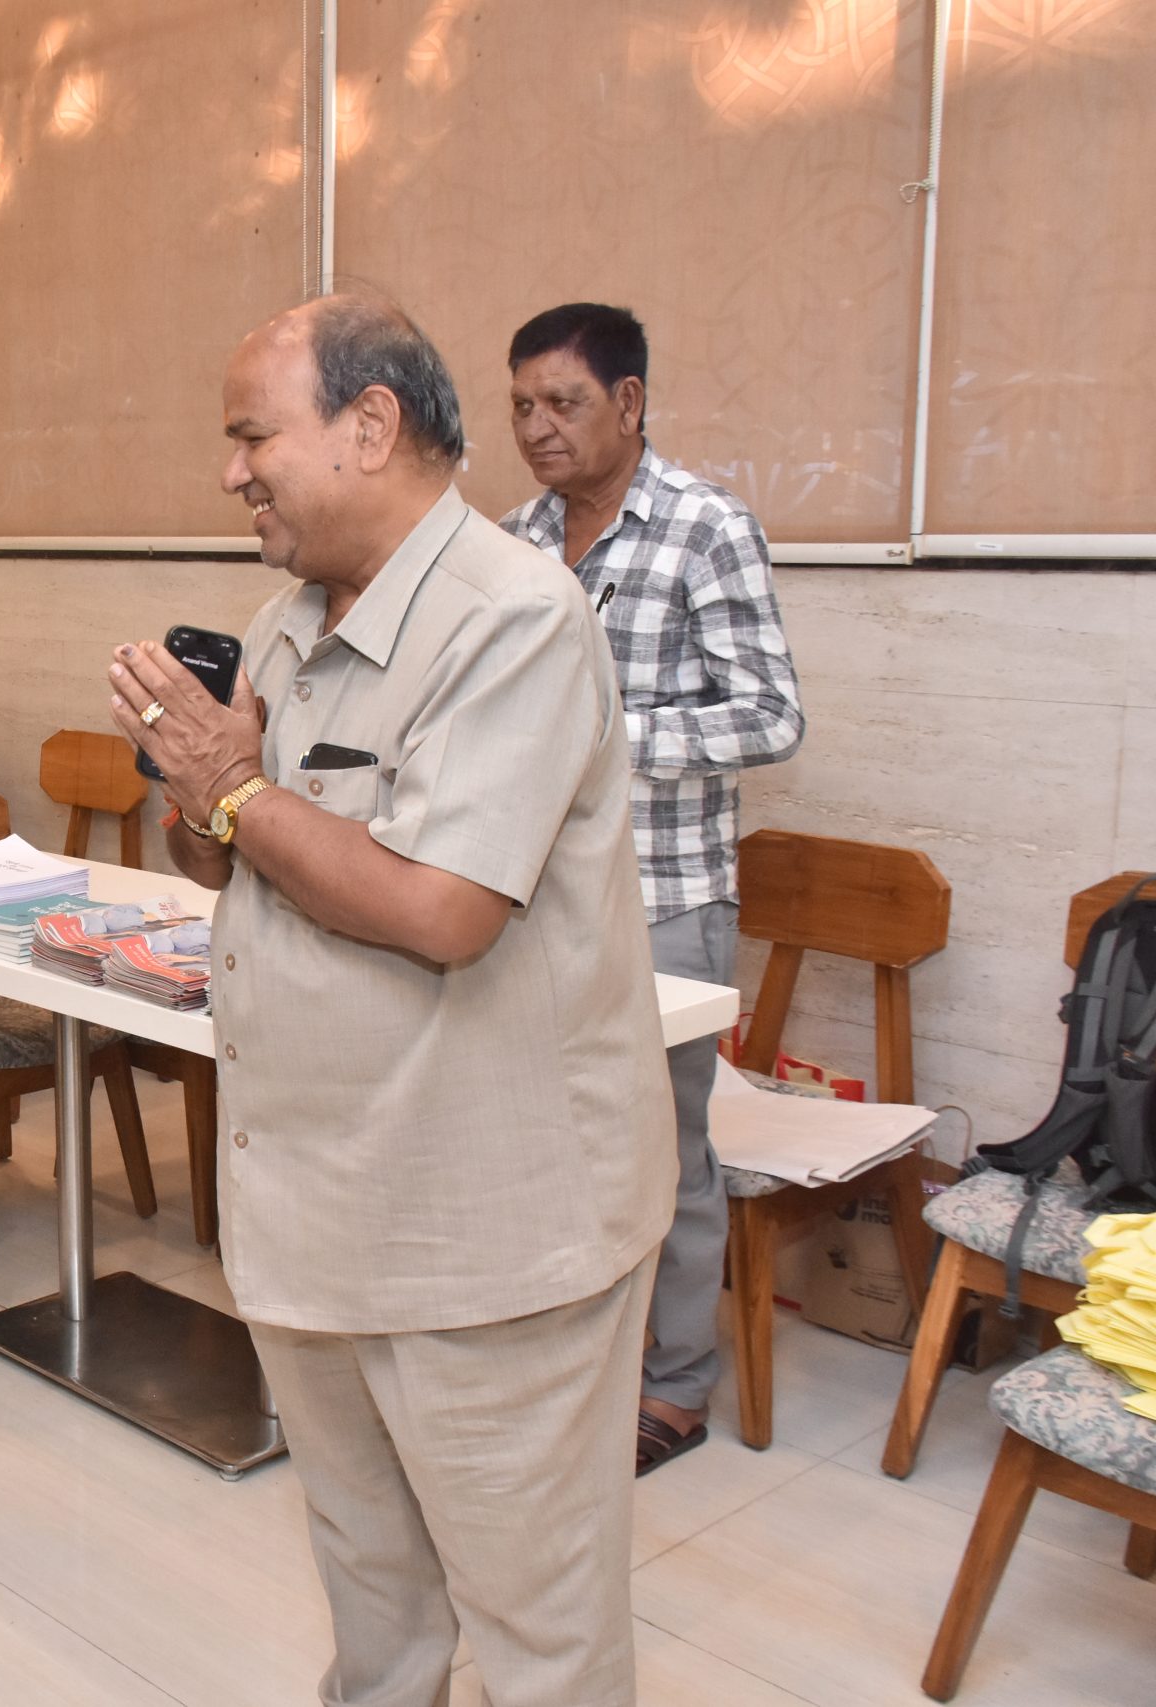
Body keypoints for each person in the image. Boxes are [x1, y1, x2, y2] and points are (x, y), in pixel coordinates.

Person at [110, 296, 674, 1707]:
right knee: (373, 1587)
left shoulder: (513, 619)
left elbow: (440, 911)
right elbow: (231, 854)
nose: (232, 472)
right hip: (315, 1205)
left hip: (481, 1230)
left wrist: (235, 788)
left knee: (539, 1624)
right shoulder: (283, 620)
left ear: (370, 426)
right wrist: (200, 794)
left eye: (253, 437)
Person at [500, 302, 806, 1474]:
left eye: (563, 402)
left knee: (664, 1151)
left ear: (628, 402)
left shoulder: (704, 527)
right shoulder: (513, 539)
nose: (538, 426)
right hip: (528, 896)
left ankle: (673, 1385)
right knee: (543, 1140)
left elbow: (770, 715)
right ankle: (565, 1359)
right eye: (521, 405)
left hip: (664, 895)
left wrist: (610, 737)